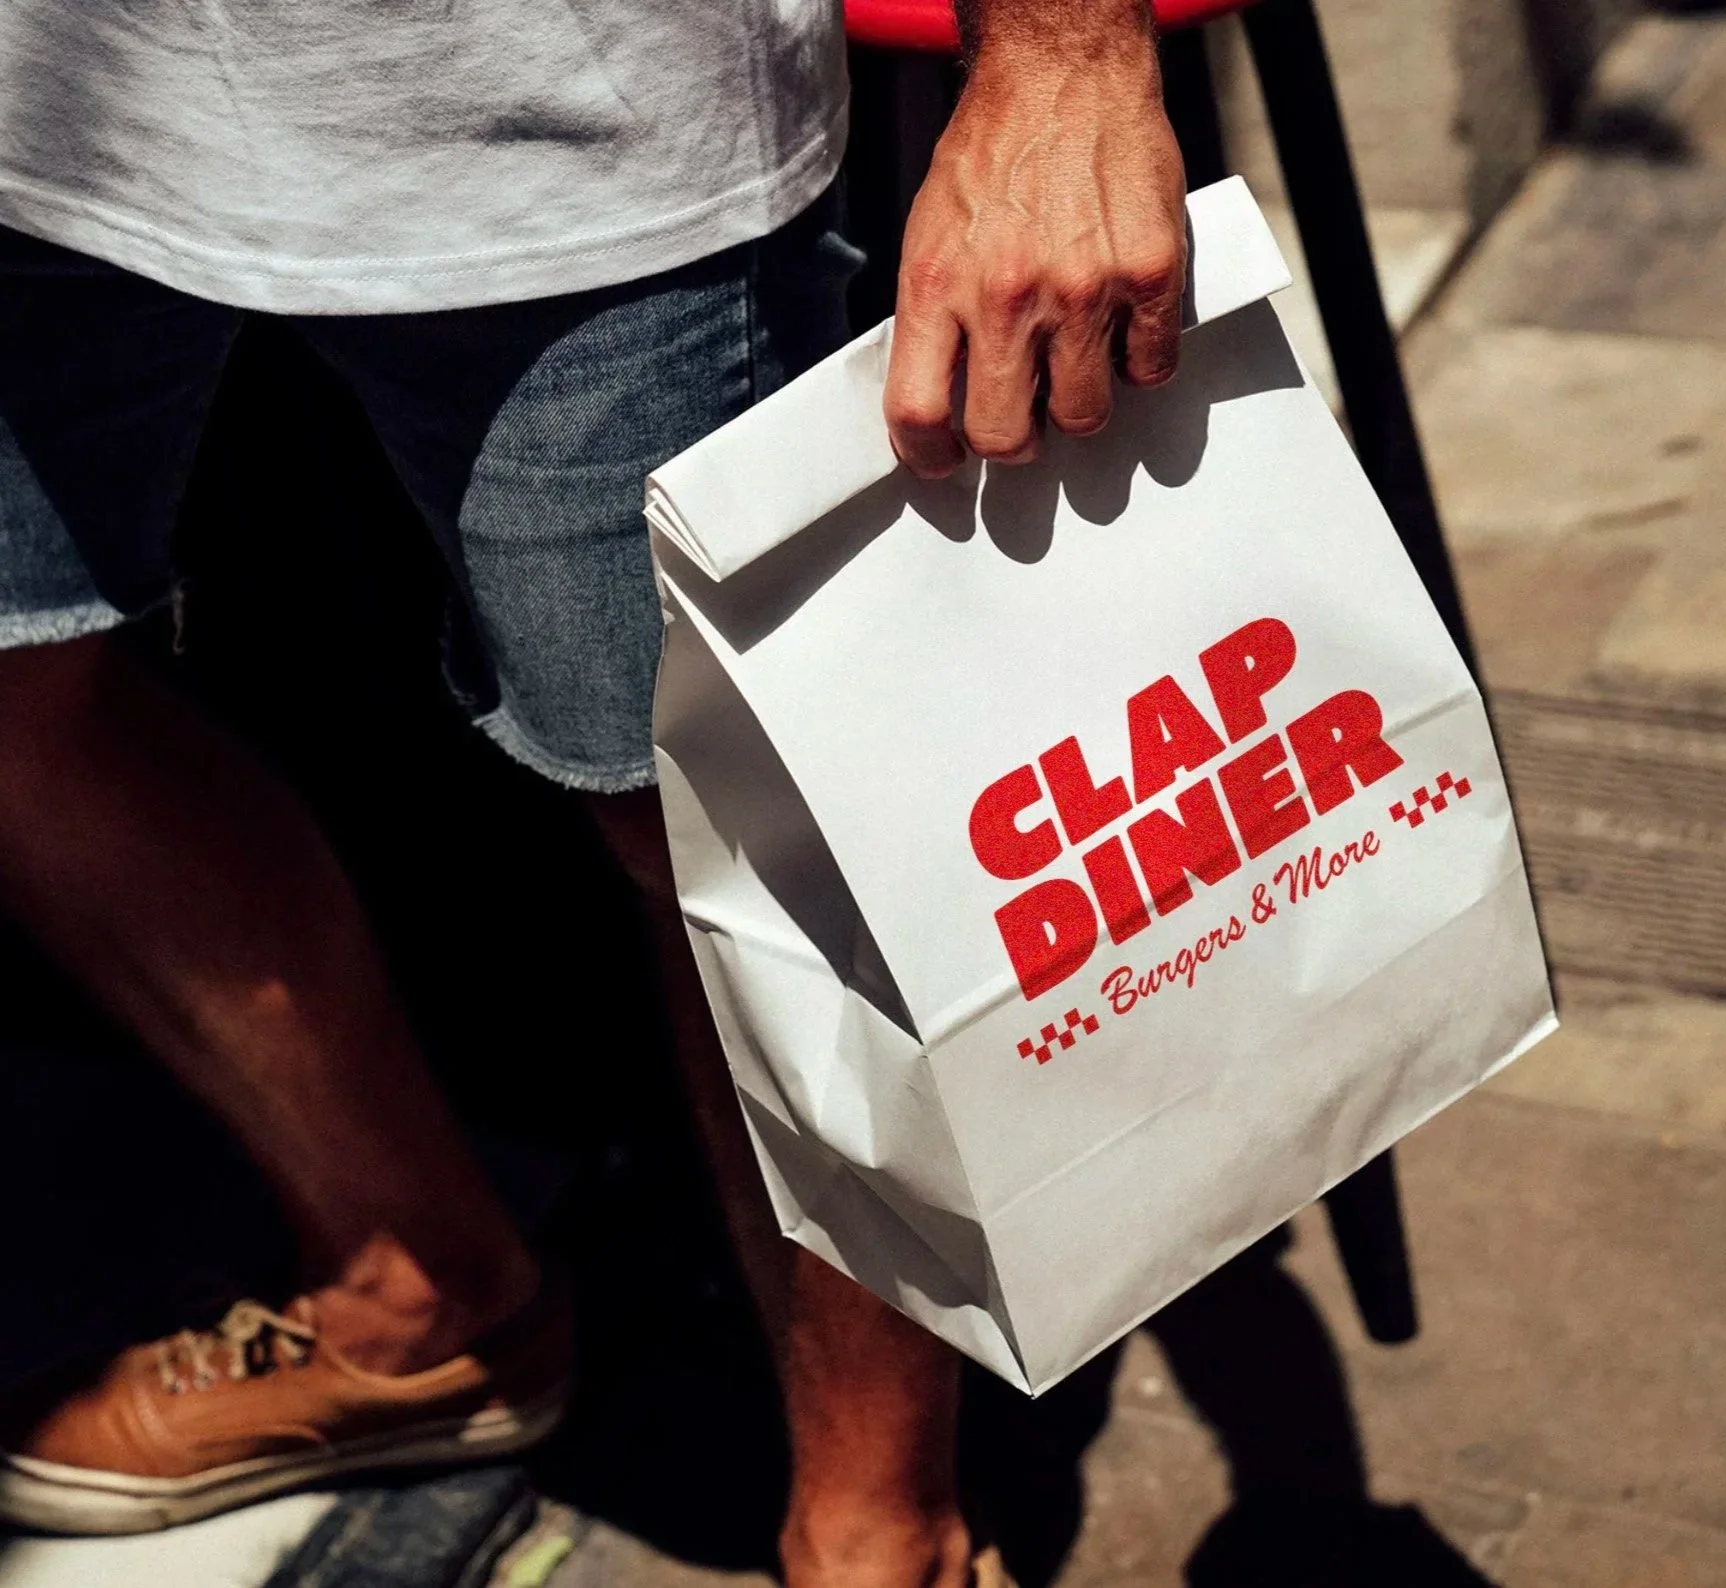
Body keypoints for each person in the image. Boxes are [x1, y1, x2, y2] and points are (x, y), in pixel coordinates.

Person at [0, 0, 1186, 1580]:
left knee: (732, 821)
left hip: (553, 112)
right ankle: (417, 1294)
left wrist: (1065, 53)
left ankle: (878, 1534)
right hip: (41, 116)